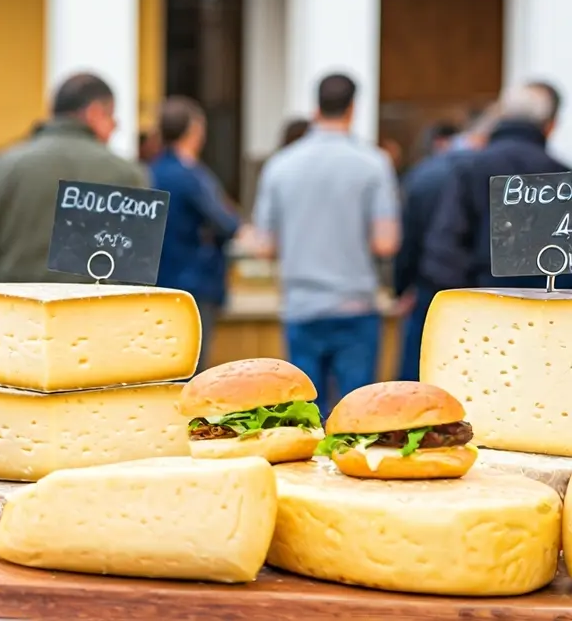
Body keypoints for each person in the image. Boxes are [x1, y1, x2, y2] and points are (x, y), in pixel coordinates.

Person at [248, 73, 400, 417]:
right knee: (356, 419)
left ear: (316, 107)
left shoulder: (280, 165)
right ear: (353, 108)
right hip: (355, 306)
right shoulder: (373, 164)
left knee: (304, 416)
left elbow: (264, 247)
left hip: (301, 305)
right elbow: (386, 242)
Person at [0, 72, 147, 283]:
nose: (113, 130)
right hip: (94, 313)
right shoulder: (128, 174)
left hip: (11, 311)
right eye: (112, 121)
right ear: (95, 113)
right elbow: (135, 272)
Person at [423, 82, 571, 291]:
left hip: (480, 305)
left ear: (502, 117)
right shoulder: (560, 173)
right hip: (545, 311)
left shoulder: (471, 167)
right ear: (549, 125)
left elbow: (446, 246)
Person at [393, 107, 498, 381]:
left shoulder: (424, 172)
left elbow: (409, 236)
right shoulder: (491, 173)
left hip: (430, 286)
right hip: (479, 290)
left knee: (419, 370)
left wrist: (402, 286)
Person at [149, 96, 239, 369]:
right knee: (191, 366)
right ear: (194, 131)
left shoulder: (149, 171)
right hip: (193, 283)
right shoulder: (192, 176)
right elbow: (227, 223)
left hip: (155, 281)